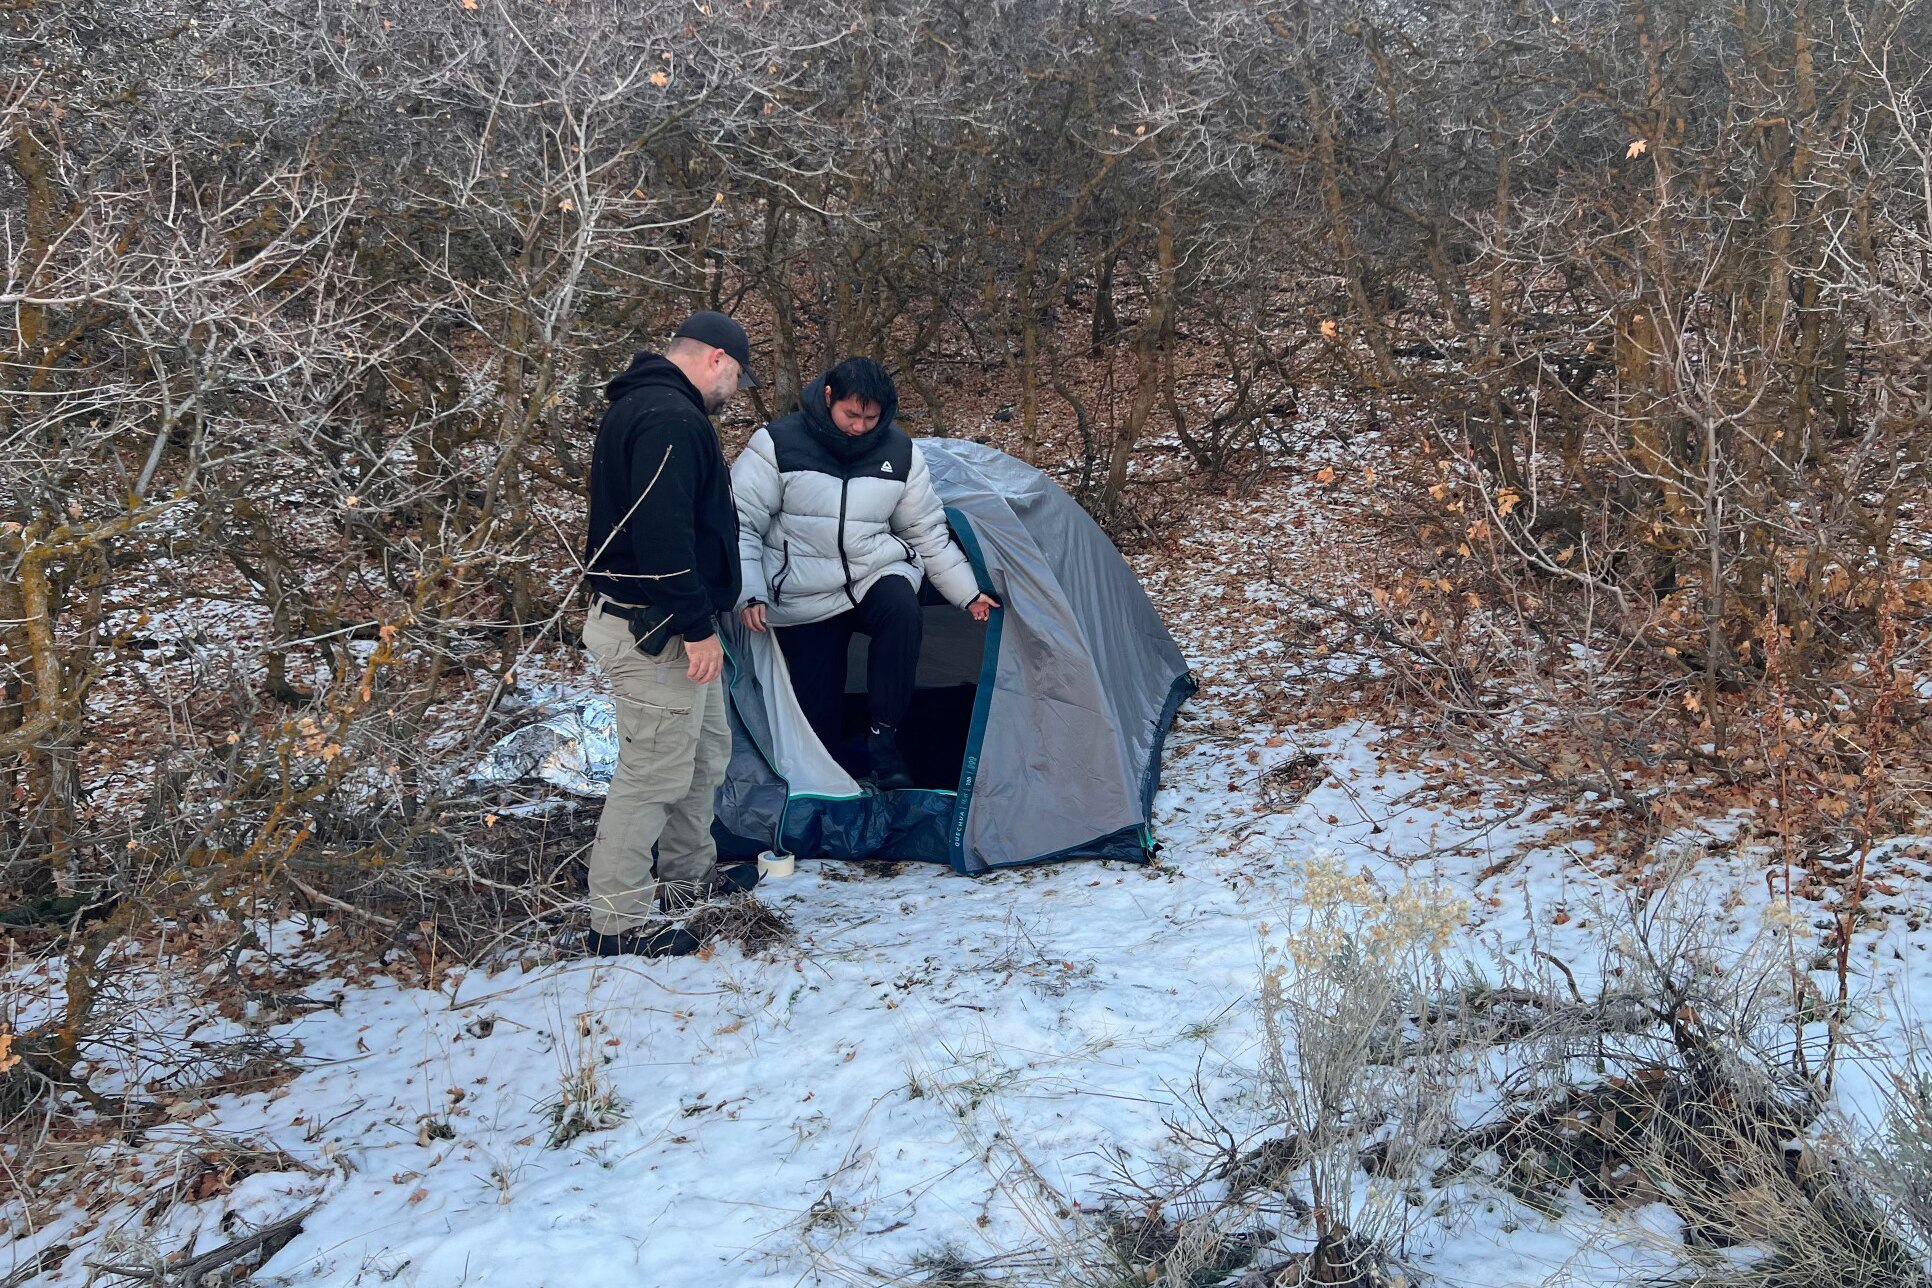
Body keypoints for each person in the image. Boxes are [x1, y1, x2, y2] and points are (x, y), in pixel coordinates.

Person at [579, 311, 760, 958]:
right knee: (652, 775)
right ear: (715, 358)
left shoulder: (653, 407)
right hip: (655, 632)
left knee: (705, 753)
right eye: (736, 377)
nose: (734, 392)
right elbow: (661, 542)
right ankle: (616, 922)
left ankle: (687, 880)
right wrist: (694, 626)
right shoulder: (669, 419)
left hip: (674, 626)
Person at [733, 358, 998, 790]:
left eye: (870, 418)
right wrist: (751, 591)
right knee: (817, 718)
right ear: (827, 398)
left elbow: (924, 531)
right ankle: (829, 774)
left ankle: (884, 736)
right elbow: (741, 521)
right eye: (850, 415)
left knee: (902, 610)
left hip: (873, 571)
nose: (859, 427)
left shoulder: (899, 451)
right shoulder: (776, 444)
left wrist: (968, 593)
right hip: (802, 589)